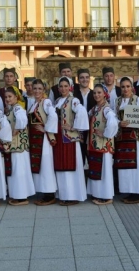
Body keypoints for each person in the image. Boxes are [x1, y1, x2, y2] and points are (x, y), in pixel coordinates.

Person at [53, 77, 89, 206]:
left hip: (70, 139)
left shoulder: (74, 100)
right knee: (61, 167)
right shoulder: (57, 101)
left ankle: (73, 195)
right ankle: (64, 195)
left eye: (65, 86)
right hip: (59, 139)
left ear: (70, 87)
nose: (63, 88)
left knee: (71, 167)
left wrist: (73, 127)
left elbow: (82, 112)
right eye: (61, 86)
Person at [115, 77, 139, 203]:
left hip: (134, 137)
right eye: (123, 87)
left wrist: (134, 121)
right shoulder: (117, 101)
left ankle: (137, 193)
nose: (125, 89)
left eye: (128, 86)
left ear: (132, 87)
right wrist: (119, 122)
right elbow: (113, 117)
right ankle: (129, 191)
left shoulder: (138, 100)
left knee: (136, 166)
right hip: (122, 137)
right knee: (125, 167)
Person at [1, 86, 35, 205]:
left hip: (19, 144)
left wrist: (16, 129)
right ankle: (18, 195)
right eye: (6, 97)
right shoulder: (12, 109)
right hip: (15, 145)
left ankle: (21, 197)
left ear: (16, 97)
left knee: (19, 169)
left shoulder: (17, 108)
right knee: (16, 169)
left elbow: (22, 120)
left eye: (10, 96)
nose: (8, 99)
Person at [27, 79, 59, 206]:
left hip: (43, 140)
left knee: (45, 165)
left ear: (44, 90)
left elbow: (53, 116)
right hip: (35, 139)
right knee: (39, 166)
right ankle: (43, 191)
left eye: (40, 89)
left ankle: (49, 194)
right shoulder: (34, 104)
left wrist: (46, 128)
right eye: (35, 88)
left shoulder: (46, 102)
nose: (37, 91)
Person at [87, 84, 119, 205]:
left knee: (104, 171)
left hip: (104, 146)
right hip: (95, 145)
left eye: (99, 92)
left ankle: (107, 196)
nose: (96, 95)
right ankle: (98, 194)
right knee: (97, 169)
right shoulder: (95, 109)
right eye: (94, 93)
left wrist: (105, 134)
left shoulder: (106, 109)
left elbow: (113, 123)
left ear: (105, 94)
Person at [73, 68, 96, 165]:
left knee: (92, 155)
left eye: (87, 77)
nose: (84, 79)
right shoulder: (73, 94)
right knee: (79, 155)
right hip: (78, 129)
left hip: (92, 128)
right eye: (82, 77)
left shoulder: (95, 93)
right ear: (78, 79)